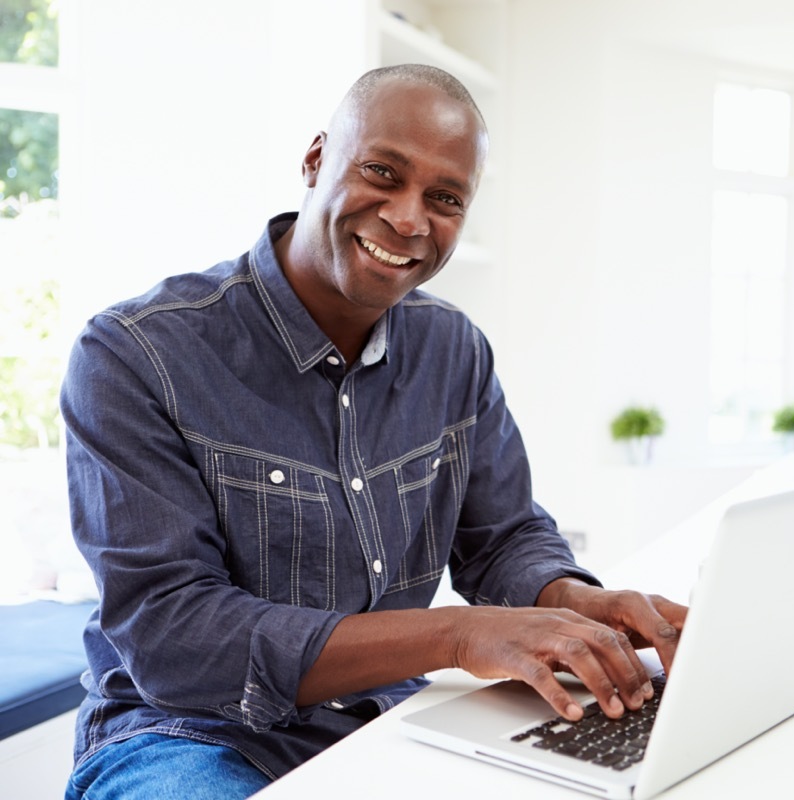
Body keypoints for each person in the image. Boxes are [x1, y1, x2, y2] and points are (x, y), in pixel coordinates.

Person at [60, 64, 687, 799]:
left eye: (445, 198)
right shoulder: (135, 353)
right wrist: (459, 636)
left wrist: (570, 601)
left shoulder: (454, 351)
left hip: (387, 715)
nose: (410, 218)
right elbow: (177, 637)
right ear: (316, 158)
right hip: (185, 739)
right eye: (383, 172)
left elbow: (505, 536)